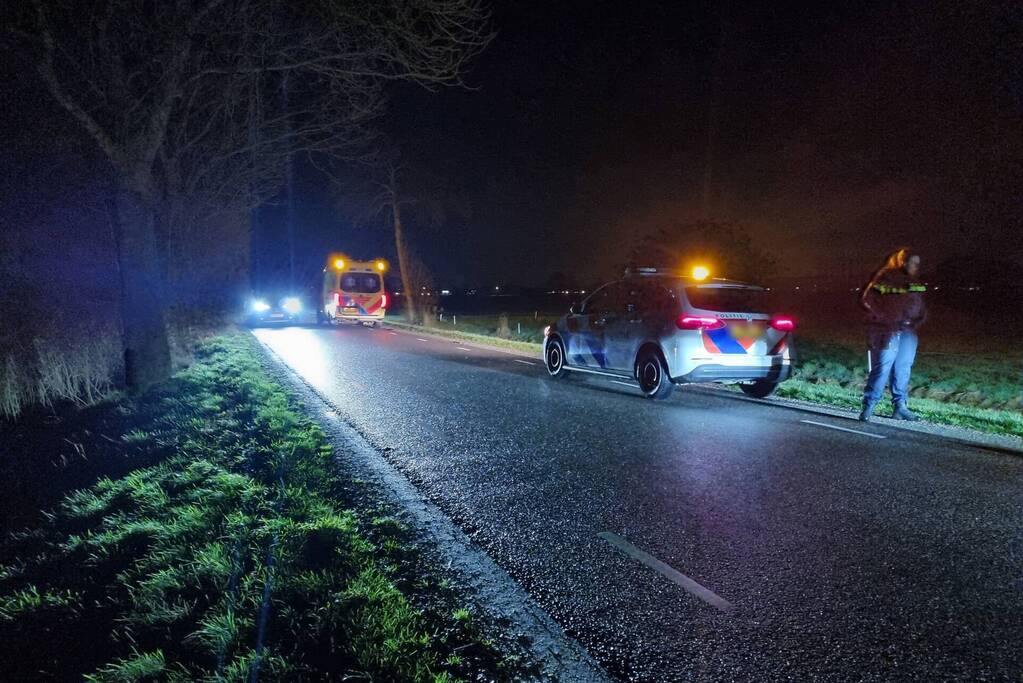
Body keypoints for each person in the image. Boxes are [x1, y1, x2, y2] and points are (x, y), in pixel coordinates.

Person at [859, 248, 927, 422]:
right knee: (882, 367)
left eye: (917, 264)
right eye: (912, 262)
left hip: (908, 331)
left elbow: (920, 305)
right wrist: (886, 319)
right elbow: (868, 300)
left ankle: (900, 407)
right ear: (902, 261)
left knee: (903, 368)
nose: (915, 266)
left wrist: (918, 320)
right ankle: (869, 405)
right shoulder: (886, 277)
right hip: (887, 330)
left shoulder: (915, 281)